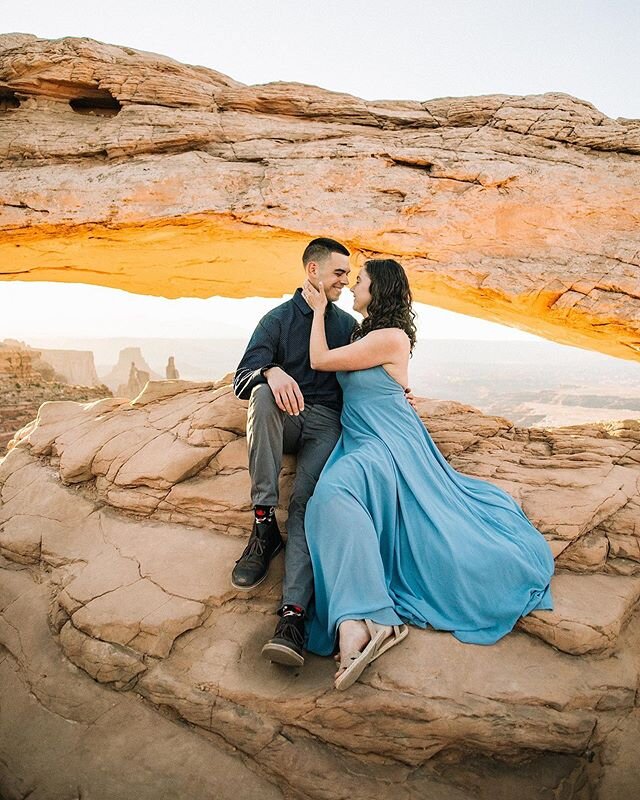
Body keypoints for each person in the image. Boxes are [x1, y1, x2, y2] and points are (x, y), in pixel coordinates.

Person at [301, 259, 555, 690]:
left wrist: (319, 309)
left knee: (330, 498)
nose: (352, 286)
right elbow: (376, 384)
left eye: (359, 281)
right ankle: (362, 621)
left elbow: (320, 359)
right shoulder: (370, 334)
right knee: (328, 502)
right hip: (364, 438)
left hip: (388, 443)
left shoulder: (390, 336)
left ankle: (363, 623)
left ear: (377, 290)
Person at [232, 238, 363, 666]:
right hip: (285, 420)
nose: (345, 281)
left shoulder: (345, 325)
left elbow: (365, 380)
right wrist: (270, 372)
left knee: (307, 503)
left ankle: (291, 619)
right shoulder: (278, 319)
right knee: (263, 397)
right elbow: (241, 379)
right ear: (313, 270)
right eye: (339, 273)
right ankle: (263, 524)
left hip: (326, 425)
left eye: (348, 275)